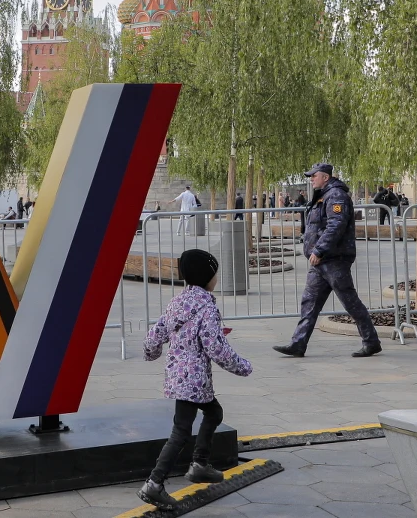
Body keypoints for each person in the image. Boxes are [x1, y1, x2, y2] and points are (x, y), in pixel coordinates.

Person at [138, 249, 252, 510]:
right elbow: (216, 347)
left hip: (178, 376)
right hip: (195, 379)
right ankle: (154, 484)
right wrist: (242, 367)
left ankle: (200, 464)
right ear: (206, 276)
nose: (217, 278)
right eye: (215, 273)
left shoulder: (177, 302)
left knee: (214, 413)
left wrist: (150, 352)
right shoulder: (206, 307)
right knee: (180, 431)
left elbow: (156, 335)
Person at [275, 163, 381, 358]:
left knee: (350, 301)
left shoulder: (336, 196)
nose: (311, 179)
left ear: (324, 177)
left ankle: (371, 341)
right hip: (321, 261)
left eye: (313, 176)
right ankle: (298, 343)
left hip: (333, 259)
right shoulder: (325, 194)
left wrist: (320, 249)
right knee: (309, 302)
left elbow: (336, 226)